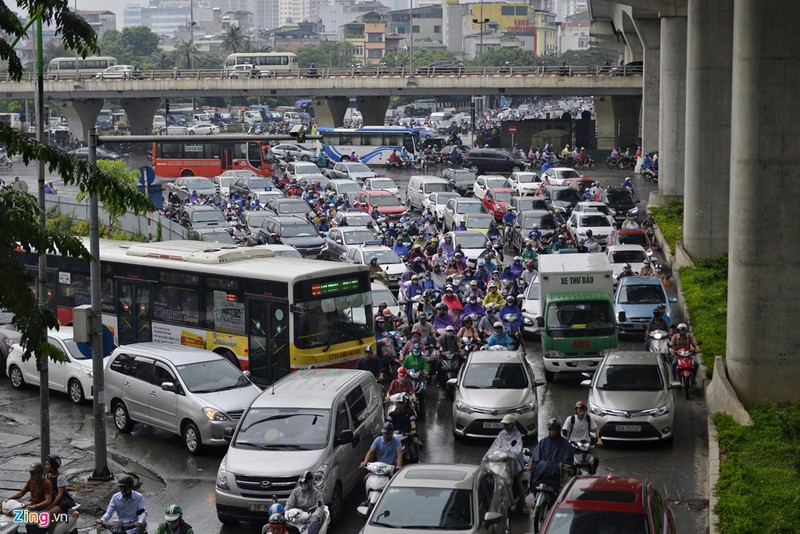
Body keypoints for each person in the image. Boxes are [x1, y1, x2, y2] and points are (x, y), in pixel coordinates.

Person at [484, 415, 527, 513]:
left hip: (514, 462)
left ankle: (524, 504)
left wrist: (510, 455)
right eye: (504, 424)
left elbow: (517, 449)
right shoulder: (501, 434)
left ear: (512, 424)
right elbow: (495, 446)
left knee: (518, 481)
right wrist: (489, 454)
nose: (505, 426)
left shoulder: (517, 435)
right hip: (501, 461)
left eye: (507, 424)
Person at [530, 418, 573, 490]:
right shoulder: (543, 442)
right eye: (550, 429)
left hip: (557, 475)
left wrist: (558, 467)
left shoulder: (565, 444)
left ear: (558, 430)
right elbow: (536, 456)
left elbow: (568, 460)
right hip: (542, 473)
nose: (552, 432)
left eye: (554, 430)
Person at [561, 401, 602, 474]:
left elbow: (596, 429)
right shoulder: (570, 419)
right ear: (576, 410)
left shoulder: (588, 419)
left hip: (586, 445)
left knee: (595, 459)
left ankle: (592, 474)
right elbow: (564, 431)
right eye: (580, 410)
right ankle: (567, 478)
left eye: (584, 411)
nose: (582, 413)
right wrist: (563, 437)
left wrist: (599, 439)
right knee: (566, 460)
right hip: (574, 445)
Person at [45, 454, 76, 534]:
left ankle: (50, 532)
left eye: (48, 464)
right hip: (51, 499)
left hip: (61, 501)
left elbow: (60, 494)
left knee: (51, 513)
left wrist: (51, 505)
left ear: (53, 466)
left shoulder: (60, 477)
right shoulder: (47, 476)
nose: (46, 466)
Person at [385, 393, 420, 463]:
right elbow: (387, 424)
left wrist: (413, 430)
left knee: (415, 444)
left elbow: (412, 423)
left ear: (405, 404)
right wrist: (385, 430)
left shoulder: (410, 413)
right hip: (394, 437)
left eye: (402, 403)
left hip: (407, 437)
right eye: (398, 403)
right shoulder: (392, 414)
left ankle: (417, 460)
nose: (400, 405)